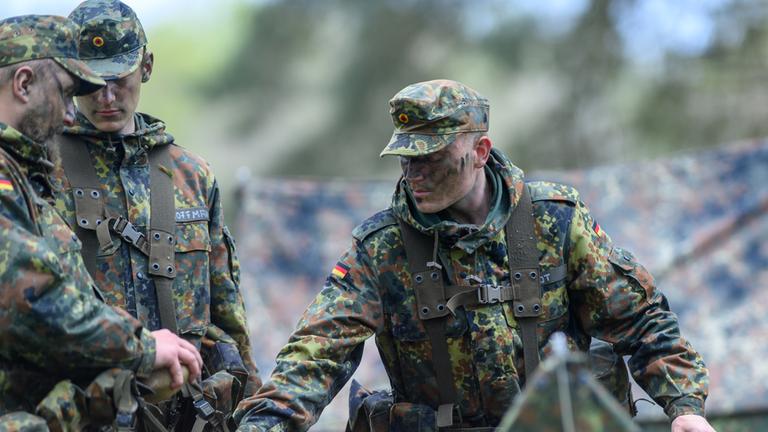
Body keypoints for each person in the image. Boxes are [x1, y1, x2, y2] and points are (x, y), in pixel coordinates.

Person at [234, 79, 715, 432]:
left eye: (431, 158)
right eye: (406, 159)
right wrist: (264, 424)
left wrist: (686, 408)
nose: (413, 175)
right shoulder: (381, 249)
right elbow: (315, 354)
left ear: (480, 150)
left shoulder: (555, 220)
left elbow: (640, 320)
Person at [52, 0, 260, 427]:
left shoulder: (192, 175)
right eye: (91, 82)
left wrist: (251, 406)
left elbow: (226, 311)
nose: (107, 97)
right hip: (82, 413)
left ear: (146, 67)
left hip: (186, 413)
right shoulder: (39, 172)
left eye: (119, 79)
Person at [0, 13, 202, 427]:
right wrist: (143, 348)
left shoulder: (21, 176)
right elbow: (32, 300)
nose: (71, 115)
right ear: (23, 84)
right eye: (66, 93)